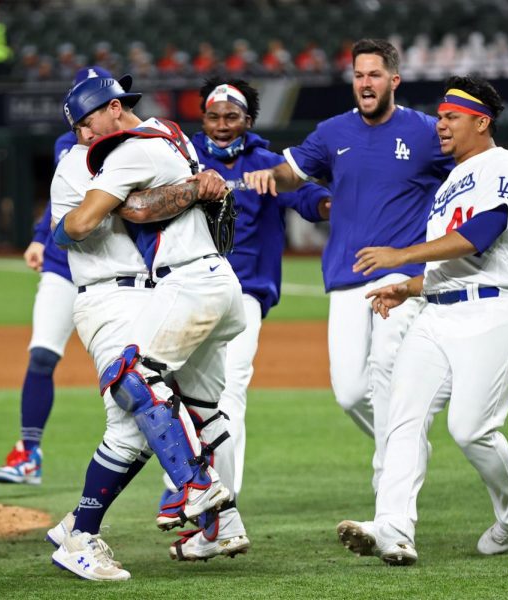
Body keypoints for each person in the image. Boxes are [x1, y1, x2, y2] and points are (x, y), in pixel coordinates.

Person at [338, 76, 508, 565]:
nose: (441, 125)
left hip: (494, 312)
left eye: (451, 117)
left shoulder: (505, 167)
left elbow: (482, 233)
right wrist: (408, 284)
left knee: (472, 429)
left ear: (481, 121)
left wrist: (401, 255)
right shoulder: (450, 183)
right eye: (439, 116)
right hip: (437, 313)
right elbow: (449, 264)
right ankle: (392, 527)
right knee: (402, 418)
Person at [244, 38, 454, 508]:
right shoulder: (333, 131)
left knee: (383, 371)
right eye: (358, 75)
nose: (365, 83)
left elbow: (466, 174)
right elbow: (291, 173)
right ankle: (403, 445)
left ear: (393, 80)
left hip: (398, 275)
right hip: (343, 276)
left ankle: (390, 481)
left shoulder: (424, 132)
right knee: (349, 392)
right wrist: (269, 177)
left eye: (374, 74)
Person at [52, 75, 245, 579]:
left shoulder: (135, 148)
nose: (82, 135)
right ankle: (87, 532)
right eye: (77, 128)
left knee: (149, 395)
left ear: (113, 109)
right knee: (165, 412)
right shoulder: (106, 153)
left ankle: (199, 502)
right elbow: (83, 224)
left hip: (172, 286)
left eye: (85, 122)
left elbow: (130, 207)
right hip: (115, 295)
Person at [171, 78, 330, 561]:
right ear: (203, 119)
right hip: (188, 293)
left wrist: (333, 203)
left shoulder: (265, 162)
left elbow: (308, 199)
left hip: (244, 297)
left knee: (228, 395)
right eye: (214, 116)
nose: (222, 125)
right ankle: (191, 491)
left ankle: (222, 510)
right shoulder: (180, 158)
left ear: (249, 120)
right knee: (170, 396)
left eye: (232, 116)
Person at [0, 66, 115, 486]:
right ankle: (28, 453)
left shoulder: (134, 144)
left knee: (131, 370)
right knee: (42, 354)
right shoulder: (68, 144)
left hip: (114, 272)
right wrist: (39, 238)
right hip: (64, 266)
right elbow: (56, 203)